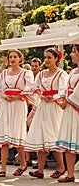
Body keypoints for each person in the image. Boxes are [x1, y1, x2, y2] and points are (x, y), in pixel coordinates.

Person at [0, 49, 36, 177]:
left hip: (18, 104)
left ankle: (23, 163)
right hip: (6, 104)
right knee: (5, 134)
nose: (12, 59)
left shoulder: (25, 73)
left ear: (20, 59)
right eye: (10, 57)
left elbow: (30, 87)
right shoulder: (4, 73)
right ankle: (3, 168)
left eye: (15, 57)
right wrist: (4, 96)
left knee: (17, 132)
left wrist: (18, 97)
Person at [26, 48, 68, 179]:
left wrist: (53, 97)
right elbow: (33, 86)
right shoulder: (41, 74)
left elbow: (63, 90)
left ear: (56, 58)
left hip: (54, 108)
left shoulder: (61, 74)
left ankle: (61, 167)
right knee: (40, 136)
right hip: (43, 106)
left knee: (53, 135)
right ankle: (40, 170)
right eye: (45, 57)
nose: (47, 60)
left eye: (50, 57)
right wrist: (40, 94)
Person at [55, 43, 79, 183]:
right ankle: (70, 174)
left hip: (75, 107)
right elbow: (66, 88)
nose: (71, 54)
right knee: (70, 142)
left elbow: (77, 93)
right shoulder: (72, 71)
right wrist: (61, 98)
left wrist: (67, 101)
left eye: (74, 52)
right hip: (70, 109)